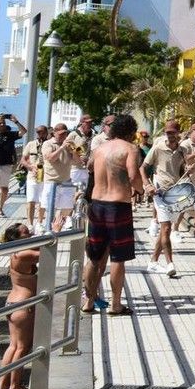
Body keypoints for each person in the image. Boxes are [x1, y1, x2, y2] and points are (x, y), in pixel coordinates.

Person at [83, 114, 144, 315]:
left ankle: (88, 302)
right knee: (118, 258)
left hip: (97, 204)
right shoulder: (130, 149)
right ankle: (116, 304)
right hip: (118, 206)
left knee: (93, 256)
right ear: (130, 132)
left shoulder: (99, 149)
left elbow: (90, 167)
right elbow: (134, 175)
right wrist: (142, 190)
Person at [0, 222, 38, 389]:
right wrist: (56, 232)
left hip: (12, 303)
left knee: (13, 346)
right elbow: (48, 251)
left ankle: (2, 384)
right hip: (23, 305)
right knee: (22, 347)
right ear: (17, 239)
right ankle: (15, 385)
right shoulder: (24, 254)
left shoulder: (15, 253)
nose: (30, 235)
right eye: (25, 234)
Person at [143, 120, 187, 277]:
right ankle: (170, 264)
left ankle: (153, 262)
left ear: (178, 133)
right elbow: (143, 167)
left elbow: (182, 170)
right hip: (160, 193)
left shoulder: (182, 151)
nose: (170, 135)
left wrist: (188, 170)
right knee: (166, 228)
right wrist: (147, 185)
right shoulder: (158, 148)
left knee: (164, 231)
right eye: (167, 132)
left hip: (175, 194)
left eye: (173, 132)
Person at [40, 123, 82, 232]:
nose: (63, 136)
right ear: (54, 133)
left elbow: (78, 161)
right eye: (61, 134)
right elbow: (51, 158)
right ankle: (47, 227)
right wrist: (62, 147)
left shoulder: (69, 145)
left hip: (66, 180)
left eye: (65, 134)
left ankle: (59, 225)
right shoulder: (48, 144)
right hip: (52, 181)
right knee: (49, 207)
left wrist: (73, 150)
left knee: (68, 207)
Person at [0, 114, 26, 220]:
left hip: (6, 165)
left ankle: (0, 209)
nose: (1, 124)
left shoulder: (10, 134)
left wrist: (16, 122)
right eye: (0, 123)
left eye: (3, 123)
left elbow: (23, 132)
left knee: (4, 189)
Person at [20, 125, 49, 227]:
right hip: (33, 174)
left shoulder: (49, 144)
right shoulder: (31, 144)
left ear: (46, 133)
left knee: (43, 200)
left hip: (46, 175)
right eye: (38, 132)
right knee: (31, 200)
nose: (40, 134)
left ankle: (40, 222)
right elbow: (22, 160)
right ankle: (30, 223)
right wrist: (30, 167)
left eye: (42, 132)